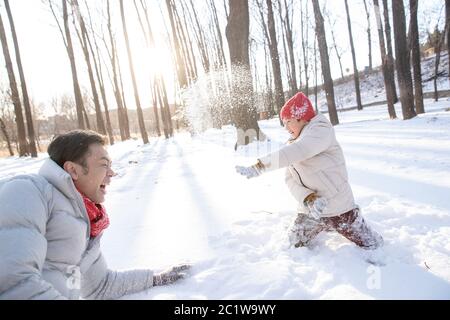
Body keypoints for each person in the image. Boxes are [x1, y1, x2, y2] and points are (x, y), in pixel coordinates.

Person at [0, 130, 190, 300]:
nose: (112, 173)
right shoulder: (27, 191)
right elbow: (13, 281)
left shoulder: (85, 219)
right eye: (104, 165)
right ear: (73, 170)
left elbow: (101, 287)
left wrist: (154, 279)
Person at [236, 92, 383, 250]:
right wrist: (309, 198)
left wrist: (260, 166)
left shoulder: (320, 131)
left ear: (301, 118)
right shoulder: (293, 143)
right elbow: (289, 179)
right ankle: (322, 222)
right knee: (295, 242)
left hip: (338, 208)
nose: (285, 127)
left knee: (372, 244)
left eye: (288, 122)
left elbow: (301, 150)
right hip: (313, 210)